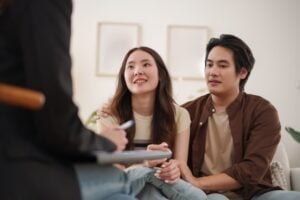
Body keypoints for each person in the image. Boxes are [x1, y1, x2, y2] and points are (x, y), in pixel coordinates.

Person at [0, 0, 136, 199]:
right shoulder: (43, 5)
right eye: (131, 66)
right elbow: (57, 122)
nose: (138, 72)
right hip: (17, 166)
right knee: (123, 181)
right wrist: (105, 142)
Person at [180, 34, 300, 200]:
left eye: (222, 66)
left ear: (242, 72)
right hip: (208, 195)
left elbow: (252, 169)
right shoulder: (187, 112)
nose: (212, 72)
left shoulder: (262, 111)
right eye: (209, 65)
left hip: (254, 193)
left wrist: (198, 182)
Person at [97, 46, 208, 199]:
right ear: (124, 76)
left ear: (160, 75)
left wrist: (173, 169)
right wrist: (145, 164)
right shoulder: (110, 115)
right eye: (130, 66)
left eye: (146, 64)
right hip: (125, 184)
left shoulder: (179, 115)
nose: (137, 71)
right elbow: (113, 173)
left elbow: (179, 163)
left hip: (161, 183)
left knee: (152, 193)